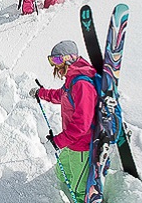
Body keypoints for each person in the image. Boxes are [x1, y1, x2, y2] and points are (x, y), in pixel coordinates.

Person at [28, 40, 97, 203]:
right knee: (61, 172)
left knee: (79, 191)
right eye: (53, 61)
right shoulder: (72, 80)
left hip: (82, 147)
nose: (55, 66)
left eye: (58, 61)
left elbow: (81, 126)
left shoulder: (82, 84)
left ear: (69, 59)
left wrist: (57, 142)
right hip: (72, 144)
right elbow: (62, 95)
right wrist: (41, 93)